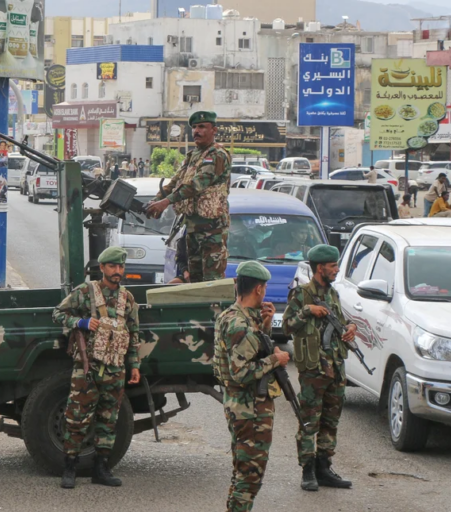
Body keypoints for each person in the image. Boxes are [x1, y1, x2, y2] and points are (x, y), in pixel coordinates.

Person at [52, 246, 141, 489]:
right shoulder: (85, 292)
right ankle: (69, 467)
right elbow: (57, 313)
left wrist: (134, 365)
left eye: (120, 267)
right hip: (87, 367)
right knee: (77, 418)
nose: (117, 271)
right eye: (112, 266)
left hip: (115, 368)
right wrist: (80, 322)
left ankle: (101, 469)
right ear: (102, 268)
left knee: (108, 419)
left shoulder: (127, 298)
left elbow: (134, 333)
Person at [214, 261, 291, 512]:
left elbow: (251, 349)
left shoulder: (232, 315)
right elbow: (241, 372)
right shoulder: (240, 324)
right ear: (258, 289)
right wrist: (275, 360)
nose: (265, 293)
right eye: (264, 288)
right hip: (250, 410)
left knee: (242, 472)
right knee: (249, 477)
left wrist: (266, 325)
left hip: (242, 406)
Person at [283, 245, 357, 493]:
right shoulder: (302, 294)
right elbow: (286, 326)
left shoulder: (333, 294)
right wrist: (308, 311)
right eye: (333, 266)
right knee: (309, 422)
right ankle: (308, 471)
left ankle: (324, 468)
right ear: (320, 268)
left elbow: (340, 321)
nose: (336, 270)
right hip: (314, 370)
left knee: (330, 421)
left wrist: (350, 328)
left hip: (335, 369)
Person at [145, 111, 231, 283]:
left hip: (212, 231)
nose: (196, 131)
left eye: (202, 127)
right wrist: (155, 201)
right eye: (194, 127)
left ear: (214, 130)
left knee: (212, 283)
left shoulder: (217, 155)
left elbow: (196, 185)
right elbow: (175, 182)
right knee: (194, 281)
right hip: (192, 230)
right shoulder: (193, 156)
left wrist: (165, 202)